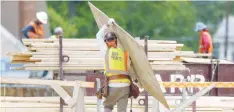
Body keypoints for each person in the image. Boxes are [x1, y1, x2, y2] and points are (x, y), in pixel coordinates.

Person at [96, 18, 131, 112]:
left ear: (106, 41)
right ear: (116, 40)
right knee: (122, 110)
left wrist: (107, 25)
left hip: (113, 85)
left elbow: (98, 35)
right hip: (125, 86)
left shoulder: (105, 50)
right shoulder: (124, 52)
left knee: (108, 106)